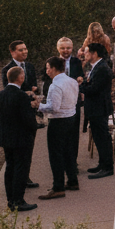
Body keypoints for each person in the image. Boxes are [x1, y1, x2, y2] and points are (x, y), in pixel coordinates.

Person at [0, 67, 38, 211]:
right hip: (21, 137)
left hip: (6, 136)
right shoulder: (21, 96)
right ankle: (19, 200)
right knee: (21, 169)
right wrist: (34, 125)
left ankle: (10, 200)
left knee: (10, 168)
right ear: (21, 78)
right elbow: (28, 119)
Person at [36, 57, 80, 200]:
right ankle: (73, 180)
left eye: (48, 67)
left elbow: (53, 107)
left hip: (58, 121)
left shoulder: (55, 86)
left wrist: (38, 105)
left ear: (54, 68)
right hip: (71, 118)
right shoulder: (72, 81)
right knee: (68, 151)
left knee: (56, 155)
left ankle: (58, 187)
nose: (46, 70)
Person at [78, 42, 115, 178]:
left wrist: (80, 87)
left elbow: (94, 89)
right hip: (95, 108)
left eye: (87, 52)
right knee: (98, 138)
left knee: (103, 137)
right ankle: (102, 163)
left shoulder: (101, 69)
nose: (84, 54)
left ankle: (108, 167)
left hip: (99, 108)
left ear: (95, 54)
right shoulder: (96, 67)